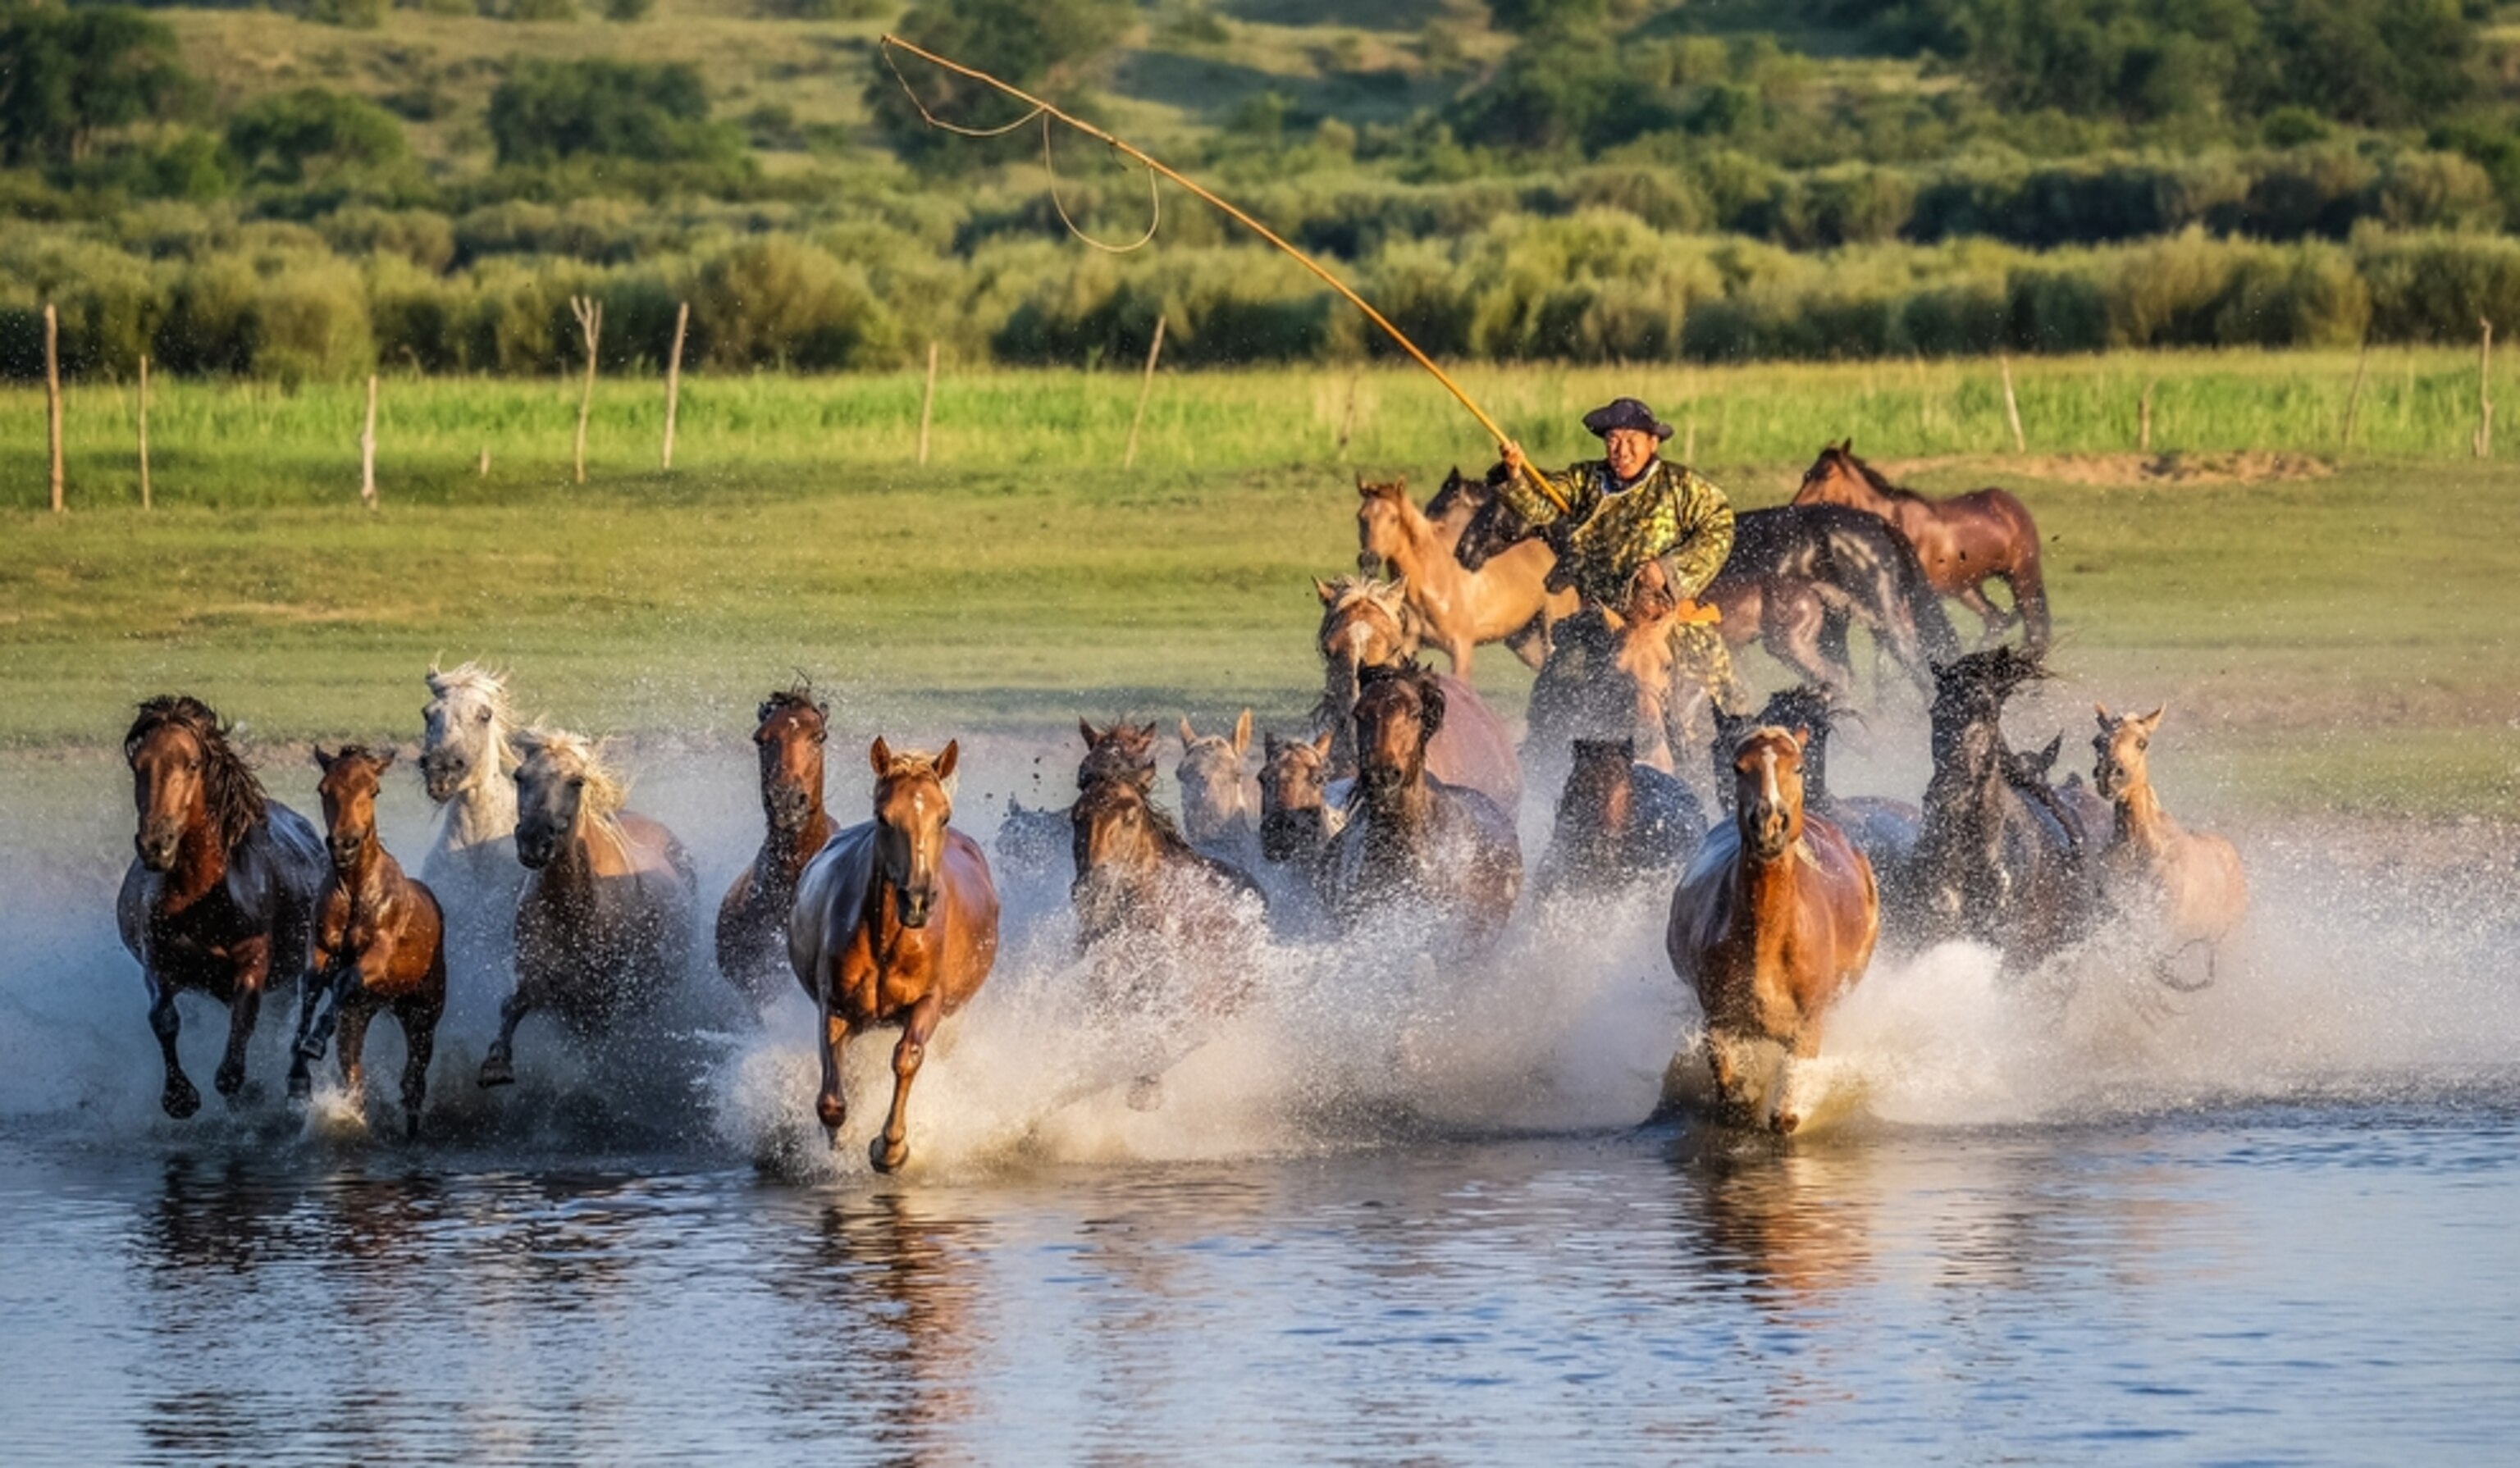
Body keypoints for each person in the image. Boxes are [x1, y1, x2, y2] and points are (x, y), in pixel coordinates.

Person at [1495, 397, 1744, 732]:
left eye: (1631, 441)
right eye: (1613, 440)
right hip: (1605, 622)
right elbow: (1539, 505)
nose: (1621, 450)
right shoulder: (1585, 480)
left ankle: (1725, 763)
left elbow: (1720, 522)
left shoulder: (1681, 486)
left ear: (1652, 443)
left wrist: (1669, 570)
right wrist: (1516, 473)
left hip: (1665, 619)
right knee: (1556, 683)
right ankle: (1546, 761)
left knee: (1713, 687)